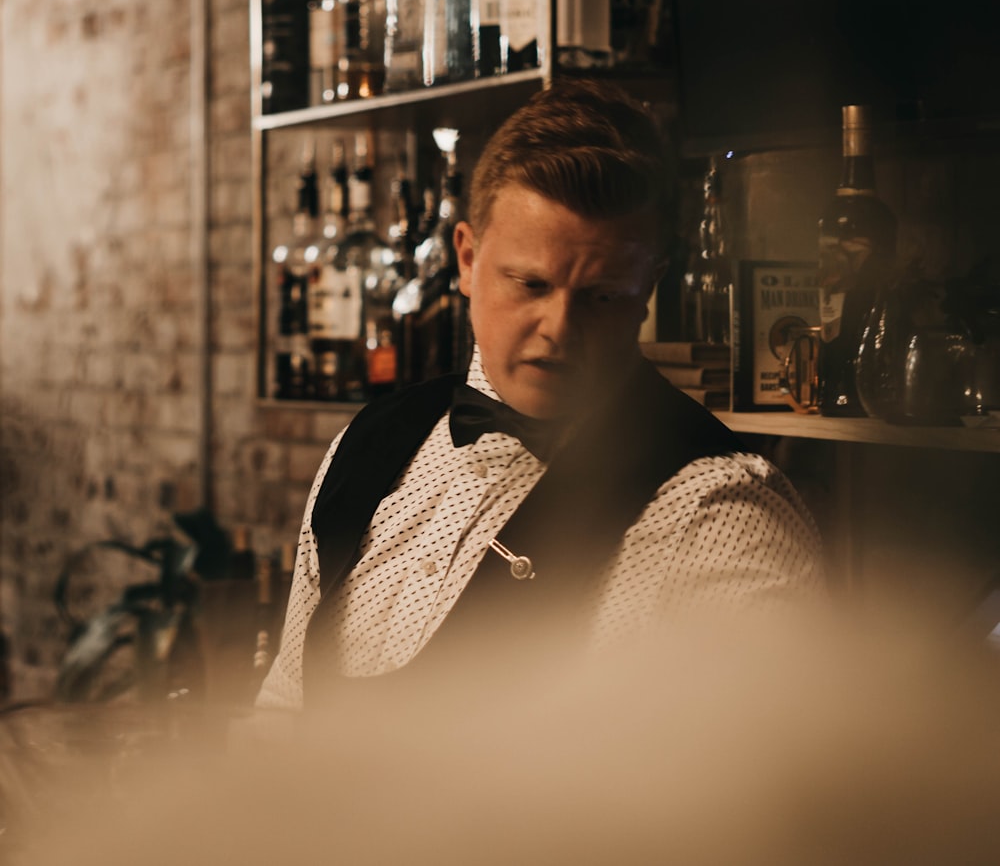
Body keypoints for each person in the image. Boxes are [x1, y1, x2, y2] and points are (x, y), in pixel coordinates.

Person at [257, 79, 824, 711]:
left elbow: (767, 795)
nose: (559, 328)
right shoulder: (365, 443)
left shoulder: (720, 514)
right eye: (530, 284)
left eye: (602, 296)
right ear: (467, 259)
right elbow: (283, 709)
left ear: (649, 287)